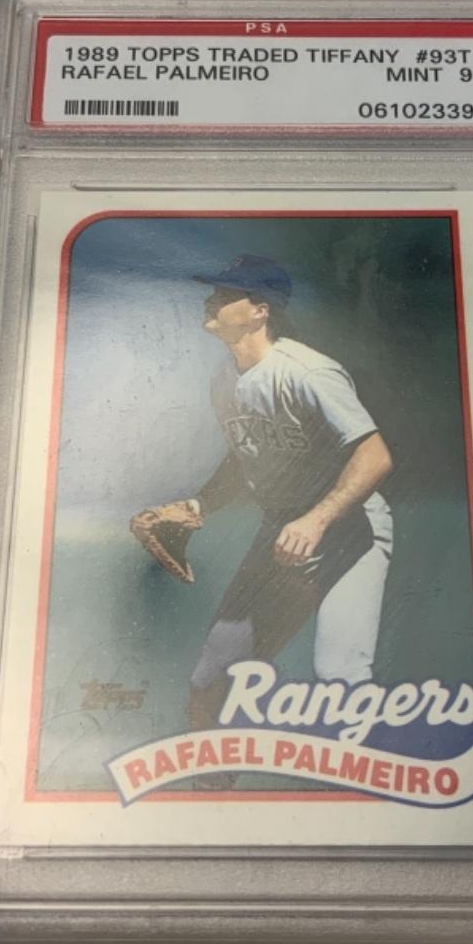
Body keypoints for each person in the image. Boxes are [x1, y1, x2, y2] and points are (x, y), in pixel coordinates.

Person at [177, 254, 394, 787]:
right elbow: (246, 457)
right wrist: (200, 504)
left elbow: (374, 457)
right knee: (209, 678)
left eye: (226, 294)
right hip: (280, 531)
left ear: (260, 311)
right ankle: (209, 797)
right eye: (213, 291)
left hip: (349, 532)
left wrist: (316, 521)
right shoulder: (223, 380)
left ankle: (369, 801)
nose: (211, 301)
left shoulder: (306, 372)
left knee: (339, 676)